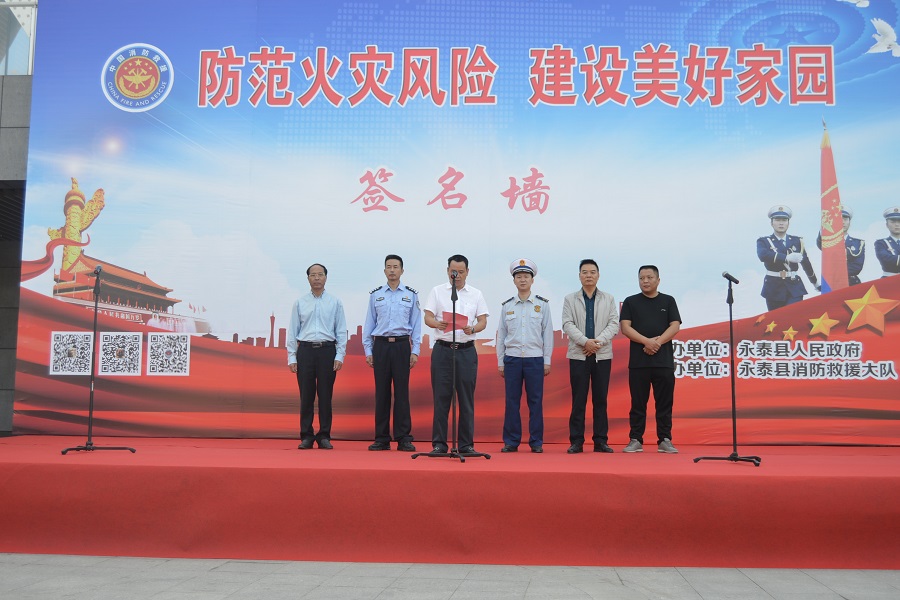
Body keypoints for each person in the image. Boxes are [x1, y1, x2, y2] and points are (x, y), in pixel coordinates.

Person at [422, 254, 489, 455]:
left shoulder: (476, 294)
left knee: (466, 399)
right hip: (443, 350)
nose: (457, 275)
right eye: (453, 272)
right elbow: (428, 317)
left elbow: (483, 321)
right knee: (441, 398)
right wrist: (437, 323)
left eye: (460, 272)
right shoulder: (437, 291)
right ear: (447, 271)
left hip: (466, 351)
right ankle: (439, 444)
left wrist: (473, 328)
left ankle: (466, 444)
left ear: (467, 272)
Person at [620, 265, 682, 454]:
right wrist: (646, 341)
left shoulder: (668, 300)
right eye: (641, 278)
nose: (645, 281)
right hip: (639, 363)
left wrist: (657, 343)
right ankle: (635, 439)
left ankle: (665, 439)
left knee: (664, 403)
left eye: (649, 277)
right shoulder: (631, 302)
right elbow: (625, 327)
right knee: (638, 404)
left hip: (663, 362)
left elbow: (675, 325)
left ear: (658, 280)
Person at [362, 254, 422, 452]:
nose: (392, 270)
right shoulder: (376, 295)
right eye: (389, 267)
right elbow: (369, 324)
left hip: (402, 346)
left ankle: (404, 437)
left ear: (402, 270)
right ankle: (381, 438)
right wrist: (368, 350)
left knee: (402, 393)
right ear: (384, 270)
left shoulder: (411, 295)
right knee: (382, 393)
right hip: (381, 346)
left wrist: (415, 350)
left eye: (396, 267)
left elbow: (416, 325)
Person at [560, 259, 619, 454]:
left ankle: (600, 441)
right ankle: (576, 441)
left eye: (592, 272)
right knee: (579, 399)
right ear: (579, 276)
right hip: (579, 355)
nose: (588, 275)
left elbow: (613, 324)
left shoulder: (608, 299)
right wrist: (585, 342)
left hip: (602, 355)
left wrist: (597, 343)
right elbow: (567, 324)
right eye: (584, 272)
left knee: (600, 399)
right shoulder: (570, 299)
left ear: (598, 275)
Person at [287, 263, 347, 450]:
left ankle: (324, 436)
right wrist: (292, 357)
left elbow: (341, 330)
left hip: (327, 351)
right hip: (305, 351)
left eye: (320, 274)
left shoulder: (335, 302)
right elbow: (292, 331)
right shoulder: (300, 302)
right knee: (306, 396)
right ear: (308, 278)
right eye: (313, 275)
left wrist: (340, 355)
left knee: (325, 396)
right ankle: (306, 436)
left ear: (326, 277)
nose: (317, 278)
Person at [496, 259, 553, 454]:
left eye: (526, 276)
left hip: (534, 358)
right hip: (512, 358)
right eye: (519, 276)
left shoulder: (542, 305)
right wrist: (500, 361)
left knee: (535, 402)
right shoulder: (507, 306)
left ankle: (536, 442)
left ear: (532, 280)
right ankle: (511, 441)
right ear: (514, 281)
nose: (522, 280)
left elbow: (547, 334)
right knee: (512, 402)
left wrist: (547, 360)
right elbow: (501, 335)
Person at [757, 205, 819, 311]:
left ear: (788, 223)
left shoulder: (797, 241)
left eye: (784, 220)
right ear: (771, 223)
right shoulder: (764, 241)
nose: (781, 223)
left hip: (794, 286)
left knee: (793, 316)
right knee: (776, 319)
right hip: (773, 287)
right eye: (777, 220)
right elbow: (763, 255)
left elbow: (806, 263)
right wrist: (786, 258)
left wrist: (815, 282)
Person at [816, 206, 865, 286]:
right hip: (833, 283)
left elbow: (857, 267)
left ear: (849, 222)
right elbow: (821, 244)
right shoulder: (830, 241)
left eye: (845, 219)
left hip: (852, 283)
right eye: (839, 219)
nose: (842, 222)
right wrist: (823, 230)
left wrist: (836, 271)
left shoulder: (858, 243)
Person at [874, 207, 900, 278]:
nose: (897, 224)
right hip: (889, 279)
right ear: (887, 225)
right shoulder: (881, 243)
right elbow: (886, 260)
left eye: (899, 221)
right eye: (893, 222)